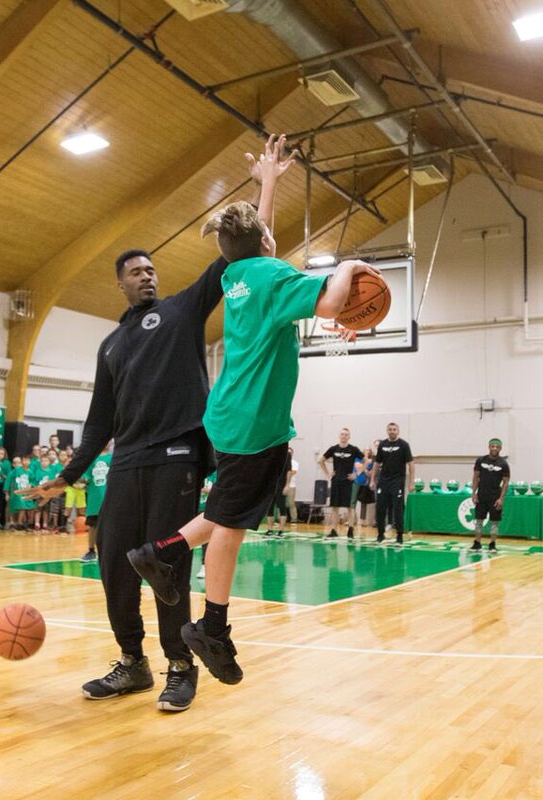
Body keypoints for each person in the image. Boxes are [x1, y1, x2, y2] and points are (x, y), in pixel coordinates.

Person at [21, 135, 293, 712]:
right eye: (136, 272)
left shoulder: (183, 309)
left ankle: (179, 665)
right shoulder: (110, 344)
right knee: (118, 565)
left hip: (177, 456)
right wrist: (67, 475)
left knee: (166, 564)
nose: (147, 276)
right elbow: (98, 423)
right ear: (119, 283)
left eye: (151, 269)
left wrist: (264, 187)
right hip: (125, 464)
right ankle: (131, 663)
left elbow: (247, 255)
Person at [122, 159, 379, 688]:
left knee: (224, 512)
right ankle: (211, 623)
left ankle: (161, 554)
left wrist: (267, 185)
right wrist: (352, 265)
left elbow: (254, 240)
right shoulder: (271, 273)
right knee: (232, 525)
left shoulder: (239, 273)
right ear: (267, 239)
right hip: (255, 422)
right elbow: (331, 302)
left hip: (231, 413)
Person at [373, 423, 414, 545]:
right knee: (380, 508)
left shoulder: (404, 445)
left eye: (394, 429)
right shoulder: (382, 444)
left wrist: (411, 482)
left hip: (397, 481)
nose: (392, 431)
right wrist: (372, 480)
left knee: (398, 508)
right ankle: (380, 534)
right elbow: (376, 463)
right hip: (383, 481)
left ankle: (399, 535)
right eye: (390, 429)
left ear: (398, 431)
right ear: (387, 431)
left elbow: (411, 464)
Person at [320, 429, 363, 539]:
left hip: (348, 482)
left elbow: (366, 460)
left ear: (349, 437)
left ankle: (351, 530)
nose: (344, 436)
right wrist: (328, 473)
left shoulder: (353, 449)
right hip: (336, 481)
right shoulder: (334, 449)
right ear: (339, 436)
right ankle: (334, 530)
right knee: (335, 507)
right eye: (342, 434)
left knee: (350, 508)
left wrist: (356, 473)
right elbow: (320, 460)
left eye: (346, 435)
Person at [471, 438, 511, 552]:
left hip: (495, 497)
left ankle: (492, 544)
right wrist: (474, 493)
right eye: (492, 446)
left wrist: (501, 498)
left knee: (494, 522)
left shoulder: (503, 464)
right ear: (489, 447)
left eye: (497, 447)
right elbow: (475, 477)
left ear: (500, 448)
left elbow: (506, 482)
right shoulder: (480, 460)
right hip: (481, 495)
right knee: (479, 520)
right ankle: (477, 543)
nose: (494, 448)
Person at [81, 444, 113, 563]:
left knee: (110, 526)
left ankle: (108, 551)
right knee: (93, 525)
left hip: (109, 497)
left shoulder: (112, 458)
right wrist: (81, 480)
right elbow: (85, 476)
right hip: (94, 498)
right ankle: (91, 551)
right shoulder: (92, 458)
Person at [265, 448, 298, 537]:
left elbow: (289, 471)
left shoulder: (287, 455)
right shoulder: (270, 453)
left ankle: (281, 530)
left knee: (282, 507)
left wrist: (287, 485)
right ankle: (270, 529)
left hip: (281, 485)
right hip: (271, 484)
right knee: (269, 508)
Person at [352, 447, 376, 532]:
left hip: (365, 483)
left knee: (366, 502)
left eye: (369, 450)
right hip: (356, 482)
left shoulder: (371, 461)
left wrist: (364, 468)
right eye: (366, 450)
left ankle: (366, 520)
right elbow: (357, 468)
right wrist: (364, 466)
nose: (367, 451)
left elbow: (370, 473)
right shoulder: (358, 459)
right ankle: (355, 519)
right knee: (354, 501)